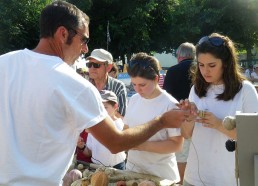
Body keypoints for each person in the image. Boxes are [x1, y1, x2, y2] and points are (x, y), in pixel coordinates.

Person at [0, 1, 196, 185]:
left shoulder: (4, 64)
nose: (85, 49)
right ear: (62, 33)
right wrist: (162, 121)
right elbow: (116, 142)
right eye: (83, 39)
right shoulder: (74, 84)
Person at [181, 33, 258, 186]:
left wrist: (218, 124)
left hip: (229, 179)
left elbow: (253, 138)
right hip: (194, 178)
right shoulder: (196, 89)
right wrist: (188, 118)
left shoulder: (245, 90)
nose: (205, 71)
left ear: (226, 63)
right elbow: (186, 134)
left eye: (211, 65)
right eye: (201, 65)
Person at [124, 52, 183, 182]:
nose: (137, 89)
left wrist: (141, 145)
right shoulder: (133, 99)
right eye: (134, 84)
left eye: (142, 85)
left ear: (156, 79)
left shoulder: (171, 105)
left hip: (160, 175)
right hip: (133, 171)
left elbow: (176, 145)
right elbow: (126, 129)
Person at [163, 42, 196, 185]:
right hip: (200, 118)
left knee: (181, 158)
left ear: (179, 55)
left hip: (179, 119)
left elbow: (166, 97)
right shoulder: (200, 69)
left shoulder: (172, 71)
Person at [86, 90, 126, 170]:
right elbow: (89, 151)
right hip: (96, 166)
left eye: (105, 107)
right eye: (98, 107)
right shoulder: (94, 124)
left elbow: (116, 146)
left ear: (115, 107)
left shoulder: (120, 125)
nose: (101, 111)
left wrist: (96, 130)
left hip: (116, 167)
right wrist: (81, 146)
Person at [86, 49, 127, 117]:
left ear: (108, 67)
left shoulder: (118, 86)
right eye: (89, 64)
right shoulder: (85, 86)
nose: (92, 68)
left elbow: (123, 117)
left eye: (97, 65)